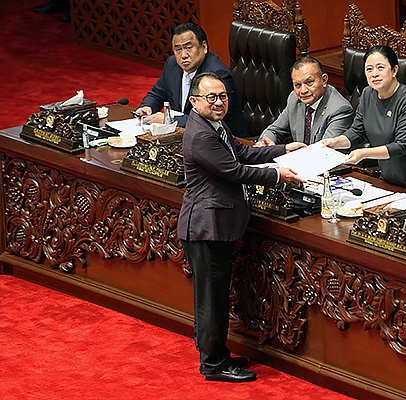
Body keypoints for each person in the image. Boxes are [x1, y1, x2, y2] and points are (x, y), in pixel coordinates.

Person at [177, 72, 306, 382]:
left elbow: (243, 152)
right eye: (212, 97)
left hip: (214, 225)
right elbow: (234, 170)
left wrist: (282, 150)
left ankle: (215, 353)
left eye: (223, 96)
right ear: (194, 101)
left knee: (213, 297)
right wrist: (278, 175)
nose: (220, 102)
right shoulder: (200, 135)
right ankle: (214, 365)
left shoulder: (213, 125)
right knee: (212, 301)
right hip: (206, 228)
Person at [321, 46, 406, 197]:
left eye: (380, 68)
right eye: (369, 69)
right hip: (389, 180)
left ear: (394, 70)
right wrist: (336, 142)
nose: (374, 74)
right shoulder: (367, 94)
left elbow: (401, 146)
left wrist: (364, 153)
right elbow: (357, 132)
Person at [136, 22, 247, 137]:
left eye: (188, 48)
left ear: (204, 47)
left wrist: (170, 119)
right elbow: (157, 94)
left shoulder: (217, 75)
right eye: (178, 49)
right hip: (186, 135)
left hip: (222, 140)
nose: (183, 55)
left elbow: (211, 120)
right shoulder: (172, 65)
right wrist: (147, 107)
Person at [257, 57, 354, 145]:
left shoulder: (340, 109)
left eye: (309, 82)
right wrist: (264, 143)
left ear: (324, 80)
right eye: (297, 85)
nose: (303, 90)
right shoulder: (294, 98)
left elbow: (325, 150)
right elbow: (274, 130)